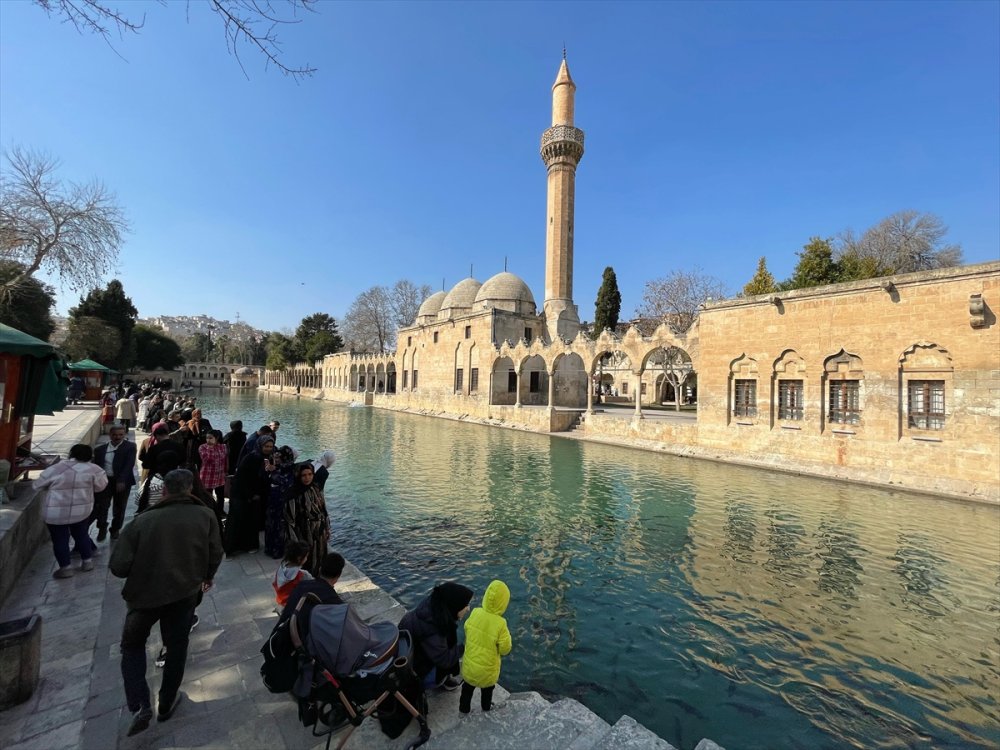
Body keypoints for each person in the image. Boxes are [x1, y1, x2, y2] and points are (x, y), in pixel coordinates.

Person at [110, 469, 222, 736]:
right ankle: (167, 701)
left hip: (143, 597)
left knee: (132, 646)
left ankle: (139, 704)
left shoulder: (141, 521)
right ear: (190, 488)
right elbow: (215, 552)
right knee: (176, 645)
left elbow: (118, 566)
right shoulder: (205, 515)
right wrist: (207, 575)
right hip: (184, 593)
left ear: (164, 490)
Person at [34, 443, 108, 578]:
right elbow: (100, 487)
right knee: (82, 535)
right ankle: (87, 562)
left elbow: (37, 485)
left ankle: (65, 568)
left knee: (60, 540)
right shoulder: (95, 470)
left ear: (71, 454)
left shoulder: (56, 468)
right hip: (82, 510)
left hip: (56, 512)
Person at [398, 582, 474, 690]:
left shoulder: (431, 610)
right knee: (453, 657)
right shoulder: (432, 629)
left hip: (410, 661)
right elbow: (445, 660)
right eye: (466, 605)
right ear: (455, 606)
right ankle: (438, 680)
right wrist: (466, 646)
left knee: (449, 643)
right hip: (413, 675)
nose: (468, 609)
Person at [459, 580, 512, 713]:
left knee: (467, 689)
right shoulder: (501, 624)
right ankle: (486, 708)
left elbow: (466, 628)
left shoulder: (475, 612)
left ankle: (464, 710)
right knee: (487, 691)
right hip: (487, 671)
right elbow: (505, 649)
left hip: (470, 667)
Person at [224, 435, 274, 556]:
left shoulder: (263, 458)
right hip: (242, 494)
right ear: (260, 445)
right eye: (266, 446)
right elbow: (244, 479)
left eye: (270, 446)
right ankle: (232, 548)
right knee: (238, 521)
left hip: (251, 495)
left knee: (250, 521)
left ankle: (247, 545)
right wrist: (251, 495)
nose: (268, 449)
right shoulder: (253, 458)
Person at [91, 425, 137, 542]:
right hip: (105, 481)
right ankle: (102, 527)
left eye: (121, 435)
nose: (118, 437)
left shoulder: (130, 447)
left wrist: (121, 480)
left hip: (122, 482)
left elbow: (129, 465)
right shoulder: (100, 450)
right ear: (110, 435)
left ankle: (115, 529)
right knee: (102, 507)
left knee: (119, 507)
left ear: (124, 435)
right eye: (115, 435)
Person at [282, 462, 330, 575]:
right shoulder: (293, 494)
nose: (307, 478)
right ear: (298, 475)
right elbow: (290, 520)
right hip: (303, 534)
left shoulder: (315, 488)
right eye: (304, 475)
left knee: (321, 558)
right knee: (306, 562)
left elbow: (323, 509)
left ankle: (318, 581)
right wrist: (295, 543)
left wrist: (327, 528)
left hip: (319, 532)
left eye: (310, 474)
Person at [264, 445, 295, 558]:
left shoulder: (290, 469)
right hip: (273, 501)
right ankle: (270, 548)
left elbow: (286, 483)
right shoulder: (276, 467)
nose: (276, 460)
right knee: (271, 524)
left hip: (282, 502)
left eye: (278, 458)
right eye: (275, 457)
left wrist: (273, 472)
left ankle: (278, 550)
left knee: (280, 526)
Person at [272, 540, 313, 611]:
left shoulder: (281, 569)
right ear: (299, 558)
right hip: (294, 605)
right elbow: (313, 584)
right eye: (306, 556)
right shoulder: (302, 574)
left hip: (281, 601)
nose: (306, 559)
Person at [198, 429, 228, 523]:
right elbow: (207, 459)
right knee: (207, 496)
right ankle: (208, 512)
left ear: (217, 438)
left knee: (220, 496)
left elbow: (225, 459)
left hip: (219, 475)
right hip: (207, 475)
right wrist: (210, 448)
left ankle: (220, 511)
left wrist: (226, 471)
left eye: (211, 438)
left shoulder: (223, 447)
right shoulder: (202, 447)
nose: (208, 440)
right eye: (207, 438)